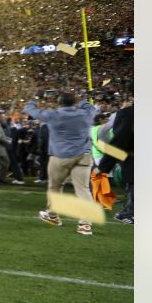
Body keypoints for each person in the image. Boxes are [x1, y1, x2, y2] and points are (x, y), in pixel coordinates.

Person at [25, 93, 99, 236]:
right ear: (74, 103)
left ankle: (53, 216)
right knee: (83, 190)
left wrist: (32, 102)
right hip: (83, 155)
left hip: (60, 156)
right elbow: (91, 107)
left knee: (55, 186)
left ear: (59, 103)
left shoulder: (54, 115)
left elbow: (32, 111)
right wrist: (83, 100)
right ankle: (85, 225)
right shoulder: (85, 114)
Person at [96, 103, 134, 224]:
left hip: (126, 155)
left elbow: (118, 141)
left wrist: (104, 166)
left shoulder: (128, 113)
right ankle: (130, 210)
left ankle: (131, 212)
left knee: (133, 183)